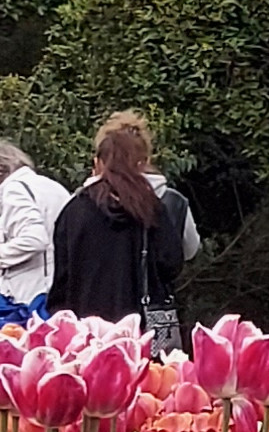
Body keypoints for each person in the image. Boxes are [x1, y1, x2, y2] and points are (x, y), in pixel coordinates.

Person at [47, 111, 194, 336]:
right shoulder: (152, 207)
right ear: (143, 163)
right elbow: (171, 263)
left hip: (86, 329)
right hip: (143, 329)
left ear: (99, 162)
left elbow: (61, 280)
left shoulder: (74, 209)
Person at [0, 141, 68, 330]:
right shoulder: (52, 187)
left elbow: (34, 239)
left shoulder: (14, 190)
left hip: (27, 295)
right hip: (58, 288)